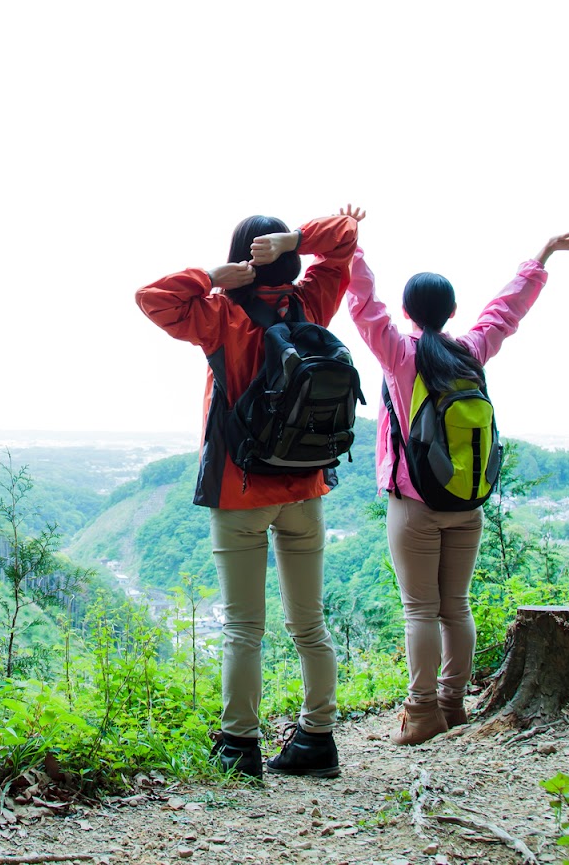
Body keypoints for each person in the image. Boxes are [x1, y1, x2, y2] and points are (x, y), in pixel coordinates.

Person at [342, 207, 569, 746]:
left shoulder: (400, 354)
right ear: (453, 311)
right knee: (456, 605)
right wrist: (542, 256)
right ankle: (454, 705)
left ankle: (423, 710)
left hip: (413, 504)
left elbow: (364, 306)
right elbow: (506, 312)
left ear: (407, 312)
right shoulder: (471, 351)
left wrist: (352, 248)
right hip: (468, 503)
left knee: (420, 609)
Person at [136, 210, 359, 779]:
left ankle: (239, 743)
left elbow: (153, 297)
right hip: (307, 487)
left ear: (242, 257)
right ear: (288, 255)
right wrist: (305, 239)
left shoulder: (218, 312)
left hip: (241, 490)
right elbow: (346, 244)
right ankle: (318, 738)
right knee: (310, 625)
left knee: (242, 629)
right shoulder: (312, 300)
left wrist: (214, 276)